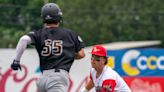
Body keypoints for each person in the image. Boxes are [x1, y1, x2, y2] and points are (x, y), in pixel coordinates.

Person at [10, 3, 85, 92]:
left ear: (43, 18)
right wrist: (66, 55)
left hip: (42, 78)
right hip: (58, 78)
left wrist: (16, 61)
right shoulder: (70, 34)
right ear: (59, 17)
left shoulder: (38, 33)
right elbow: (81, 54)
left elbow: (23, 39)